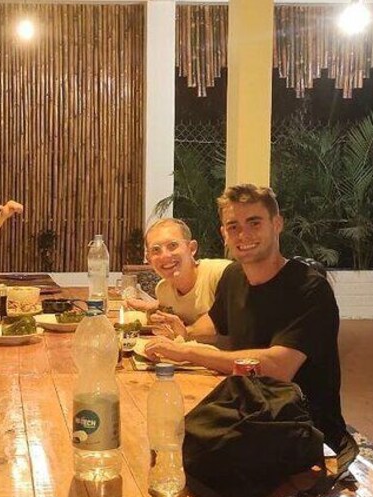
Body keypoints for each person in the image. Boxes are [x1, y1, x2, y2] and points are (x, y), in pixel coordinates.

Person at [144, 184, 349, 450]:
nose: (243, 234)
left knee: (178, 445)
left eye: (254, 223)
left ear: (277, 224)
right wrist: (182, 333)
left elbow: (277, 367)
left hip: (303, 428)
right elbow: (213, 324)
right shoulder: (234, 276)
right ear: (224, 234)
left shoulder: (309, 288)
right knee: (160, 430)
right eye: (233, 226)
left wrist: (187, 352)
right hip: (251, 410)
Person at [126, 218, 230, 341]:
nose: (165, 256)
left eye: (173, 246)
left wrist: (184, 332)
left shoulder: (221, 273)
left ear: (192, 248)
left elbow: (217, 323)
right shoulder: (163, 290)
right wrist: (152, 313)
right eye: (156, 250)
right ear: (149, 259)